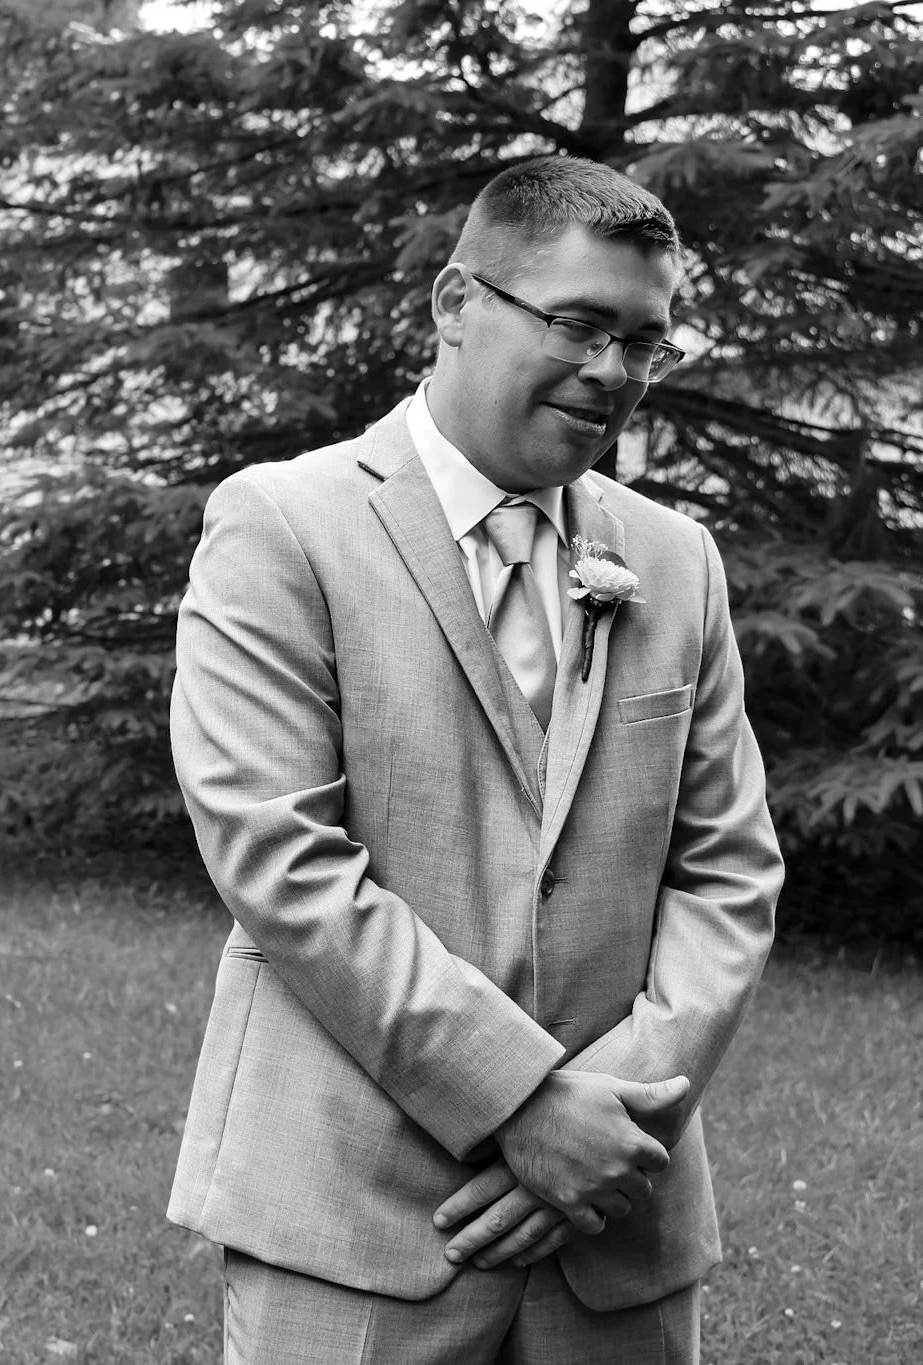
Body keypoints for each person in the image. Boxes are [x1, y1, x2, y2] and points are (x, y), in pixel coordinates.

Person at [168, 156, 784, 1362]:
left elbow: (728, 877)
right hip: (354, 1218)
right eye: (575, 323)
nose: (611, 371)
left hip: (616, 1225)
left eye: (645, 341)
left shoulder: (673, 560)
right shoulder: (283, 527)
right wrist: (523, 1104)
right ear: (454, 304)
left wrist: (609, 1121)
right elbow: (280, 861)